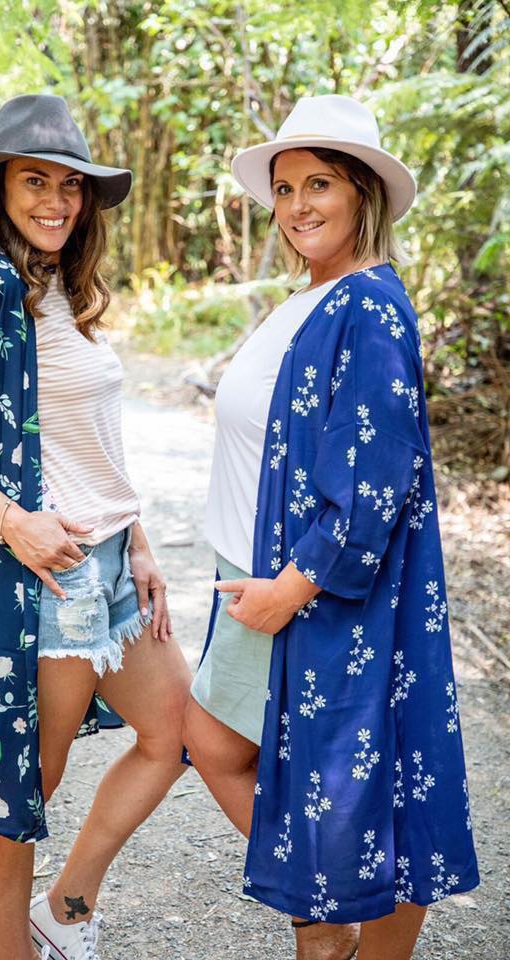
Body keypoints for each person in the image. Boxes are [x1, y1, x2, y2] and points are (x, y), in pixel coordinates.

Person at [0, 94, 191, 960]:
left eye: (70, 184)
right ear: (0, 190)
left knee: (178, 732)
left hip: (110, 560)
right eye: (35, 181)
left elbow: (92, 437)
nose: (56, 200)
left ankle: (64, 908)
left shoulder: (68, 289)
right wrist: (15, 522)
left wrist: (138, 539)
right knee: (23, 792)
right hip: (49, 576)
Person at [183, 94, 479, 960]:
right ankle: (327, 927)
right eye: (284, 188)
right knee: (236, 748)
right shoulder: (314, 295)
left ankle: (337, 936)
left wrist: (293, 587)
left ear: (363, 194)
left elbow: (377, 474)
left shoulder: (368, 306)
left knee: (366, 779)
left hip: (309, 583)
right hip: (259, 569)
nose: (297, 204)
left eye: (319, 183)